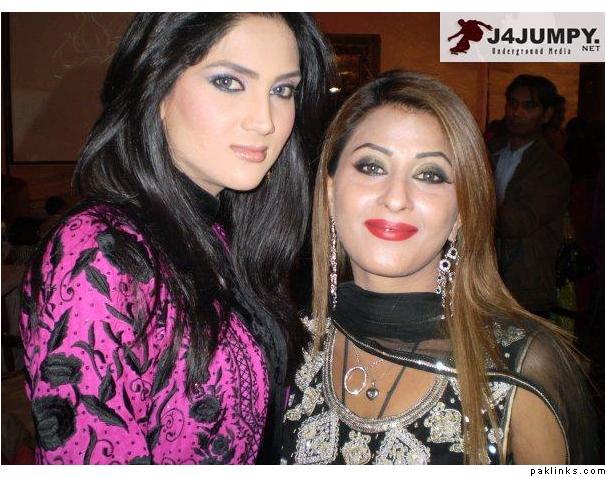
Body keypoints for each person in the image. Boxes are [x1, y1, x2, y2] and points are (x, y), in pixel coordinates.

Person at [19, 13, 333, 464]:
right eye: (228, 82)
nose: (265, 121)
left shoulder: (227, 238)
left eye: (282, 90)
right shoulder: (100, 251)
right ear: (157, 88)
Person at [280, 71, 598, 465]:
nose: (396, 197)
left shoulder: (521, 368)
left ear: (462, 212)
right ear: (330, 192)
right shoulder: (287, 344)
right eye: (372, 167)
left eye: (430, 175)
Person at [489, 75, 571, 318]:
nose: (517, 112)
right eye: (512, 104)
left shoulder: (552, 168)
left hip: (525, 283)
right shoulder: (491, 151)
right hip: (485, 278)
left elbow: (520, 222)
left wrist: (473, 207)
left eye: (528, 106)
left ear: (546, 114)